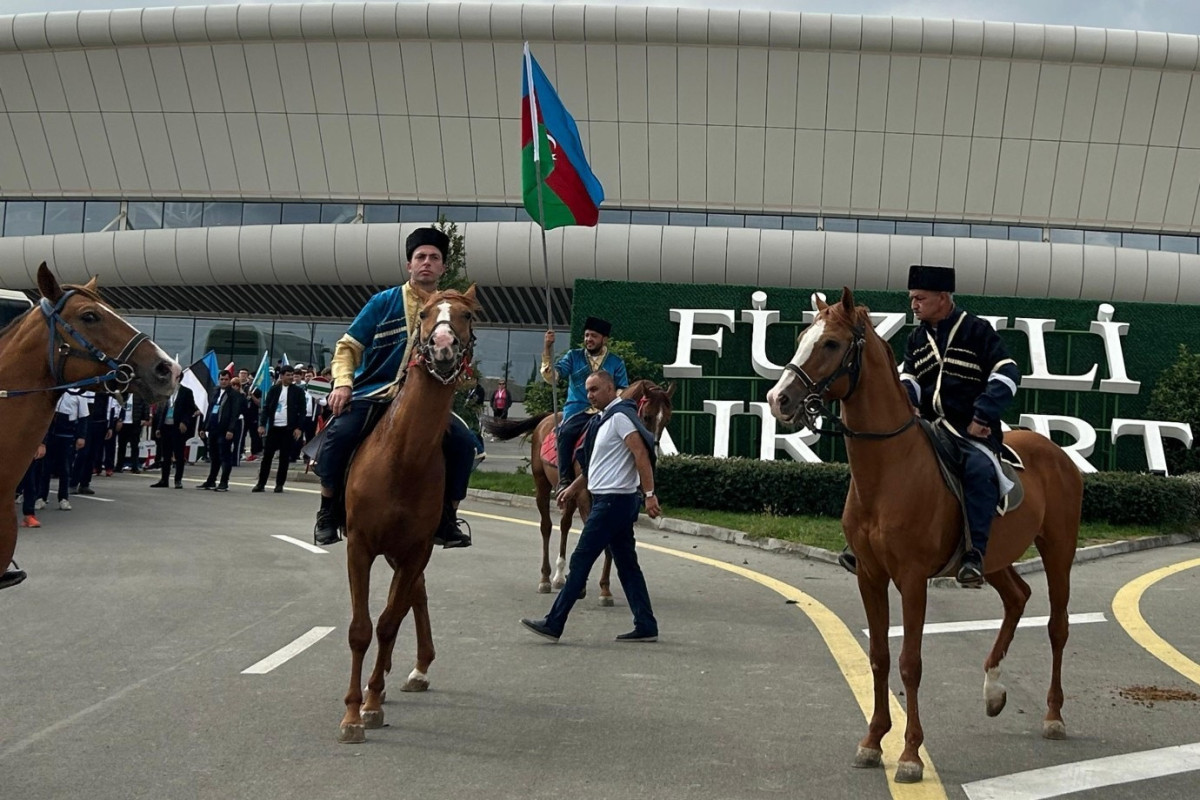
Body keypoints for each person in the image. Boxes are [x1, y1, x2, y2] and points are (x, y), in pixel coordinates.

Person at [838, 265, 1020, 587]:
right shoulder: (917, 338)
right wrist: (903, 398)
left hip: (971, 431)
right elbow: (910, 379)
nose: (914, 305)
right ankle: (865, 542)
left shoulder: (976, 330)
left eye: (920, 298)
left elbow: (1007, 373)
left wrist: (981, 416)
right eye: (912, 299)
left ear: (943, 297)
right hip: (929, 427)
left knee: (978, 469)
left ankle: (974, 554)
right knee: (887, 466)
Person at [311, 227, 475, 549]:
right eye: (420, 257)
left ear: (443, 267)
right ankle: (327, 511)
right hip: (376, 394)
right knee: (339, 436)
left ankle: (447, 518)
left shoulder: (451, 307)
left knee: (464, 444)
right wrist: (343, 383)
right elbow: (347, 347)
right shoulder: (383, 302)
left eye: (435, 258)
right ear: (409, 265)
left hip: (425, 403)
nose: (427, 262)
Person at [521, 370, 661, 643]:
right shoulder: (604, 419)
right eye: (587, 390)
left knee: (581, 560)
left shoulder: (621, 417)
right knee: (628, 565)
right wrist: (573, 487)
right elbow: (598, 465)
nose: (590, 395)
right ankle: (646, 624)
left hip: (612, 502)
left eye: (595, 389)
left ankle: (554, 623)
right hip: (613, 501)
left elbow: (641, 455)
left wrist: (650, 494)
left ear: (611, 389)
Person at [541, 317, 629, 495]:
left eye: (593, 336)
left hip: (606, 411)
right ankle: (564, 479)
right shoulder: (573, 356)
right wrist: (547, 347)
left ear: (604, 339)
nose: (589, 339)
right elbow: (554, 377)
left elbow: (623, 389)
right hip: (577, 411)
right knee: (565, 434)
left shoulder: (616, 362)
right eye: (587, 335)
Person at [253, 365, 306, 493]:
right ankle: (261, 483)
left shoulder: (298, 391)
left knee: (284, 458)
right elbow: (266, 408)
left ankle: (279, 484)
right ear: (281, 376)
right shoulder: (274, 390)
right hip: (274, 428)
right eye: (287, 375)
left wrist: (299, 428)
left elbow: (302, 411)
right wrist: (262, 424)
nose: (290, 377)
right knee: (267, 457)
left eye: (292, 375)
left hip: (288, 429)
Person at [198, 370, 246, 492]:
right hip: (213, 428)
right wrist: (204, 427)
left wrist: (231, 429)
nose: (223, 381)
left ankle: (224, 482)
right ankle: (211, 480)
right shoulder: (215, 392)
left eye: (225, 379)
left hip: (225, 430)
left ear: (229, 380)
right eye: (221, 379)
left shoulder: (234, 395)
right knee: (214, 456)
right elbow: (209, 410)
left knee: (225, 456)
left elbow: (235, 413)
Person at [150, 382, 198, 488]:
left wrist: (184, 422)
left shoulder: (186, 392)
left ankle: (178, 480)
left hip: (178, 427)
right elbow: (161, 410)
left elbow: (190, 409)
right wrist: (159, 427)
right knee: (166, 455)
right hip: (166, 426)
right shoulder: (166, 391)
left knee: (179, 455)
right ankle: (164, 480)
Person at [115, 392, 150, 473]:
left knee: (134, 446)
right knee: (121, 446)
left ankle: (135, 466)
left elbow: (145, 405)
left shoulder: (139, 394)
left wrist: (145, 418)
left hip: (135, 422)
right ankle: (119, 466)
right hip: (123, 423)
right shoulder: (123, 394)